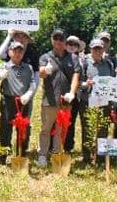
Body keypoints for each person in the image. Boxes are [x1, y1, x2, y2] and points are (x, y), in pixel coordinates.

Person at [37, 29, 80, 167]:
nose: (58, 41)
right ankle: (43, 154)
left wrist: (72, 93)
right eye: (55, 38)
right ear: (52, 40)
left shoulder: (73, 58)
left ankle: (56, 153)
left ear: (65, 40)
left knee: (61, 129)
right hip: (49, 99)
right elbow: (41, 74)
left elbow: (76, 75)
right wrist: (45, 70)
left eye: (61, 38)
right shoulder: (46, 57)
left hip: (65, 100)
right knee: (46, 128)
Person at [0, 42, 37, 165]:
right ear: (9, 52)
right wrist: (1, 76)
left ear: (23, 53)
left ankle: (21, 153)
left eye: (20, 51)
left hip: (24, 102)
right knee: (5, 129)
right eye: (15, 51)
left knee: (24, 129)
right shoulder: (4, 66)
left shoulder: (28, 67)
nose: (18, 53)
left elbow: (33, 83)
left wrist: (29, 94)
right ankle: (2, 156)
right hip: (9, 101)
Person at [78, 39, 115, 164]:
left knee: (103, 129)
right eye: (95, 49)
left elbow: (113, 82)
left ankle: (101, 157)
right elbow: (78, 82)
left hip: (104, 102)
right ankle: (87, 157)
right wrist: (85, 84)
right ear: (90, 50)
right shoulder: (84, 63)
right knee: (87, 129)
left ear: (103, 49)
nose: (98, 51)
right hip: (87, 101)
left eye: (100, 49)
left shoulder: (109, 64)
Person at [64, 35, 84, 153]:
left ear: (78, 47)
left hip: (76, 95)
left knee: (70, 122)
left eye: (75, 45)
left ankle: (68, 147)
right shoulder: (60, 57)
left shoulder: (82, 60)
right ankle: (55, 146)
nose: (72, 47)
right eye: (69, 44)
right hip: (60, 94)